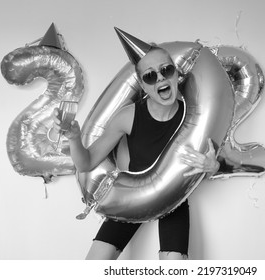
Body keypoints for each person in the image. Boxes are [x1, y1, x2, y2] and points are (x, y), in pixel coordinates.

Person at [52, 27, 220, 260]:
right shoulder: (128, 116)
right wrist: (73, 138)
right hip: (133, 197)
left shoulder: (192, 118)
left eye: (166, 70)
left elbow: (208, 165)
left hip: (173, 199)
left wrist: (213, 168)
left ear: (176, 75)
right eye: (151, 76)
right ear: (143, 85)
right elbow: (87, 163)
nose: (160, 78)